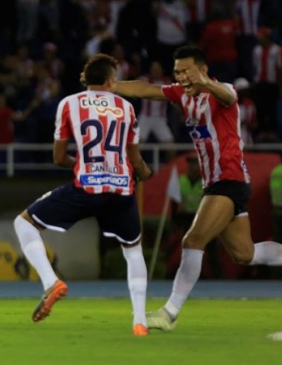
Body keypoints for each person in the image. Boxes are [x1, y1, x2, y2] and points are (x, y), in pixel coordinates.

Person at [111, 44, 282, 331]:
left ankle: (169, 313)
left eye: (186, 72)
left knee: (192, 241)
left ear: (202, 70)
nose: (181, 78)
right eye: (177, 72)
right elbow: (145, 89)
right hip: (218, 183)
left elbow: (229, 95)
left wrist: (205, 84)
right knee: (245, 254)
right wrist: (113, 84)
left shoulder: (221, 91)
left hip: (228, 180)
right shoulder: (180, 94)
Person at [14, 54, 152, 336]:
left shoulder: (69, 104)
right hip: (122, 188)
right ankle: (140, 321)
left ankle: (51, 281)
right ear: (111, 80)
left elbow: (58, 156)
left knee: (24, 223)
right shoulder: (126, 107)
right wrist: (145, 172)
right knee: (133, 251)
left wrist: (80, 163)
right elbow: (136, 162)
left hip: (86, 186)